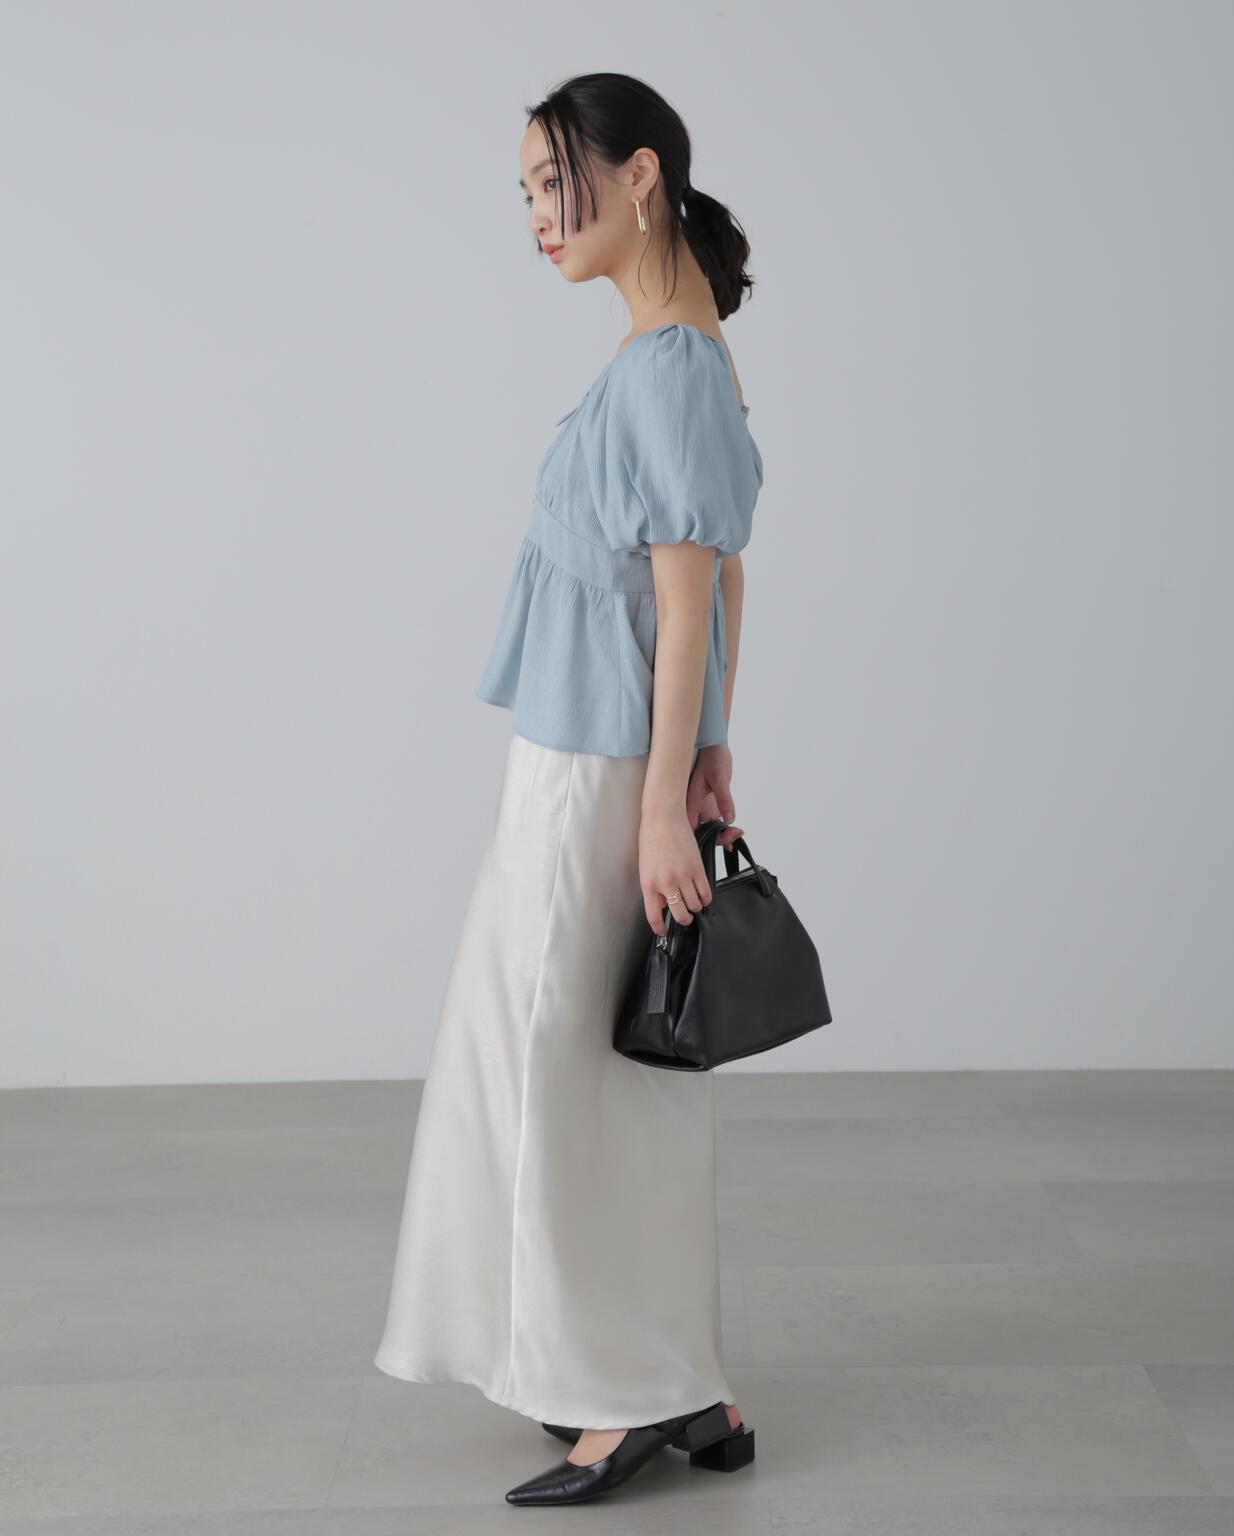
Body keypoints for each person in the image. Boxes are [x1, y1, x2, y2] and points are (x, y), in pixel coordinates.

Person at [373, 71, 764, 1506]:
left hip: (592, 775)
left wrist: (665, 797)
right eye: (528, 193)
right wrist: (708, 753)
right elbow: (720, 580)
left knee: (559, 1073)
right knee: (608, 1073)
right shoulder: (675, 353)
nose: (538, 216)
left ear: (639, 175)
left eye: (556, 183)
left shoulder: (668, 364)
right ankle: (686, 1386)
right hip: (608, 760)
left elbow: (690, 590)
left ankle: (624, 1393)